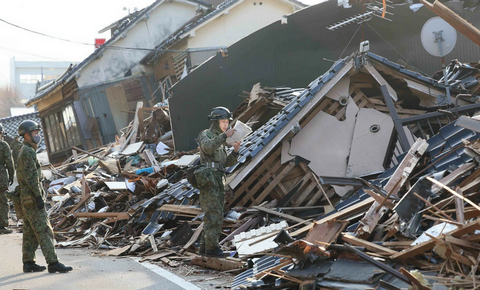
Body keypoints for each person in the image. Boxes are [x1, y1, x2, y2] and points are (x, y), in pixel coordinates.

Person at [16, 120, 73, 273]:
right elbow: (31, 177)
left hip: (27, 198)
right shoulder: (28, 151)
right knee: (44, 230)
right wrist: (38, 197)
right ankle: (53, 262)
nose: (38, 135)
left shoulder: (26, 150)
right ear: (27, 135)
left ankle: (28, 262)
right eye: (35, 133)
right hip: (32, 199)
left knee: (29, 232)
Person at [196, 107, 241, 258]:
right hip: (209, 178)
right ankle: (212, 249)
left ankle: (205, 247)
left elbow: (225, 162)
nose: (225, 125)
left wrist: (235, 151)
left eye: (227, 122)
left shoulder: (220, 139)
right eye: (222, 122)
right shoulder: (206, 134)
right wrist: (224, 136)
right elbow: (207, 148)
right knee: (213, 214)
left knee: (214, 213)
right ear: (215, 122)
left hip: (217, 177)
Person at [0, 123, 14, 234]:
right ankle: (2, 226)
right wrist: (11, 175)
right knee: (3, 202)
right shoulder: (3, 145)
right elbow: (9, 162)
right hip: (1, 178)